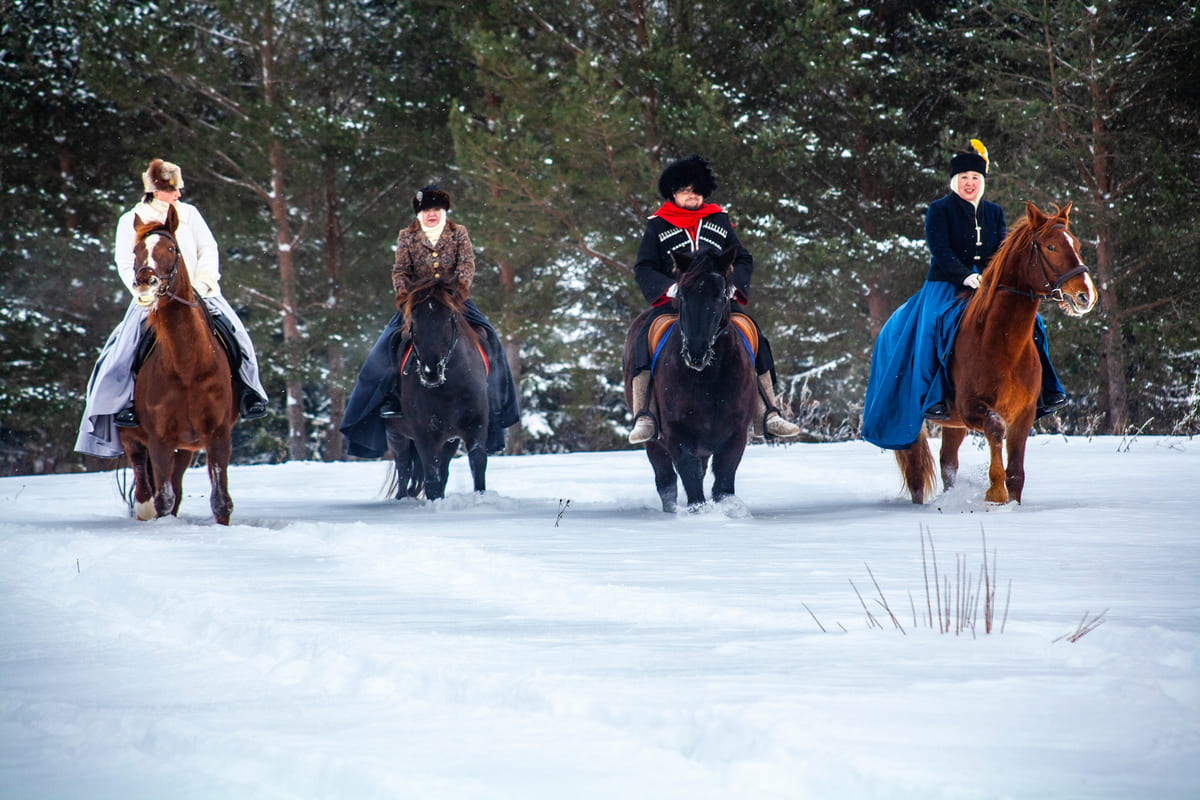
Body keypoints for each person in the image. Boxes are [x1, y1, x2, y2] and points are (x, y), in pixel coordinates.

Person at [860, 140, 1067, 450]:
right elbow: (940, 250)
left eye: (975, 178)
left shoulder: (994, 213)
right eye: (964, 179)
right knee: (934, 325)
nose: (970, 184)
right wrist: (965, 275)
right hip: (945, 283)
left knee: (1033, 322)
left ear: (982, 182)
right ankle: (935, 399)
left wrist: (988, 277)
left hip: (988, 283)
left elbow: (998, 253)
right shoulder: (939, 210)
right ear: (955, 182)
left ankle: (1046, 389)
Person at [75, 159, 268, 459]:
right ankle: (120, 405)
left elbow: (209, 249)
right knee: (122, 352)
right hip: (150, 299)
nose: (178, 193)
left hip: (199, 294)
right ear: (155, 190)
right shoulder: (131, 219)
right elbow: (125, 262)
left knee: (238, 337)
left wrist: (203, 284)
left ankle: (249, 393)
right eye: (172, 189)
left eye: (178, 188)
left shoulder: (189, 214)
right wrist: (143, 292)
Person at [627, 154, 800, 444]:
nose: (691, 196)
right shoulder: (657, 225)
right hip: (673, 304)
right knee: (644, 339)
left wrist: (733, 287)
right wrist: (670, 289)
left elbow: (742, 257)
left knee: (754, 335)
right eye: (685, 191)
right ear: (673, 192)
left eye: (696, 191)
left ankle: (768, 412)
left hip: (717, 303)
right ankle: (645, 415)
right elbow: (643, 267)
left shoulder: (719, 219)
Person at [340, 185, 519, 458]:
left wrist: (457, 292)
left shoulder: (459, 233)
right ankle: (389, 399)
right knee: (386, 347)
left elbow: (467, 264)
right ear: (419, 214)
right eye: (426, 210)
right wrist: (405, 296)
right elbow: (400, 269)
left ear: (444, 212)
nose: (431, 214)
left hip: (452, 301)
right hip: (417, 303)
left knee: (488, 337)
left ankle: (493, 402)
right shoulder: (407, 237)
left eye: (436, 210)